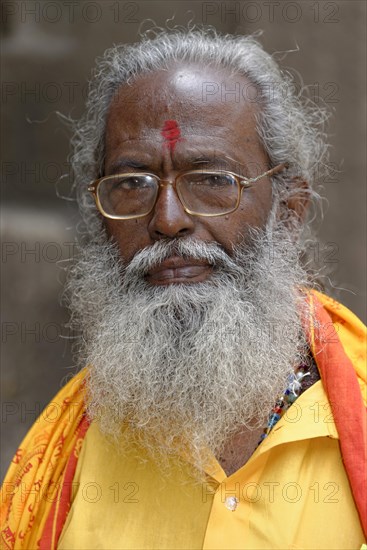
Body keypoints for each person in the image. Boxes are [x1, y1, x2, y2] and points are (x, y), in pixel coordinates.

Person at [1, 29, 366, 550]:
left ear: (288, 210)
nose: (168, 220)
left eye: (212, 178)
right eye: (132, 184)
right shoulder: (61, 459)